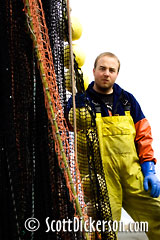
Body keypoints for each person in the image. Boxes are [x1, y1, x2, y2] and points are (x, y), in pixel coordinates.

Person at [67, 52, 160, 239]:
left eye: (111, 70)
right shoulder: (80, 102)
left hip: (134, 174)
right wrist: (76, 107)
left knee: (158, 214)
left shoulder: (127, 100)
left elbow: (143, 135)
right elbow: (69, 126)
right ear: (93, 71)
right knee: (104, 232)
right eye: (102, 68)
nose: (106, 73)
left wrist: (149, 168)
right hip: (101, 179)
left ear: (117, 74)